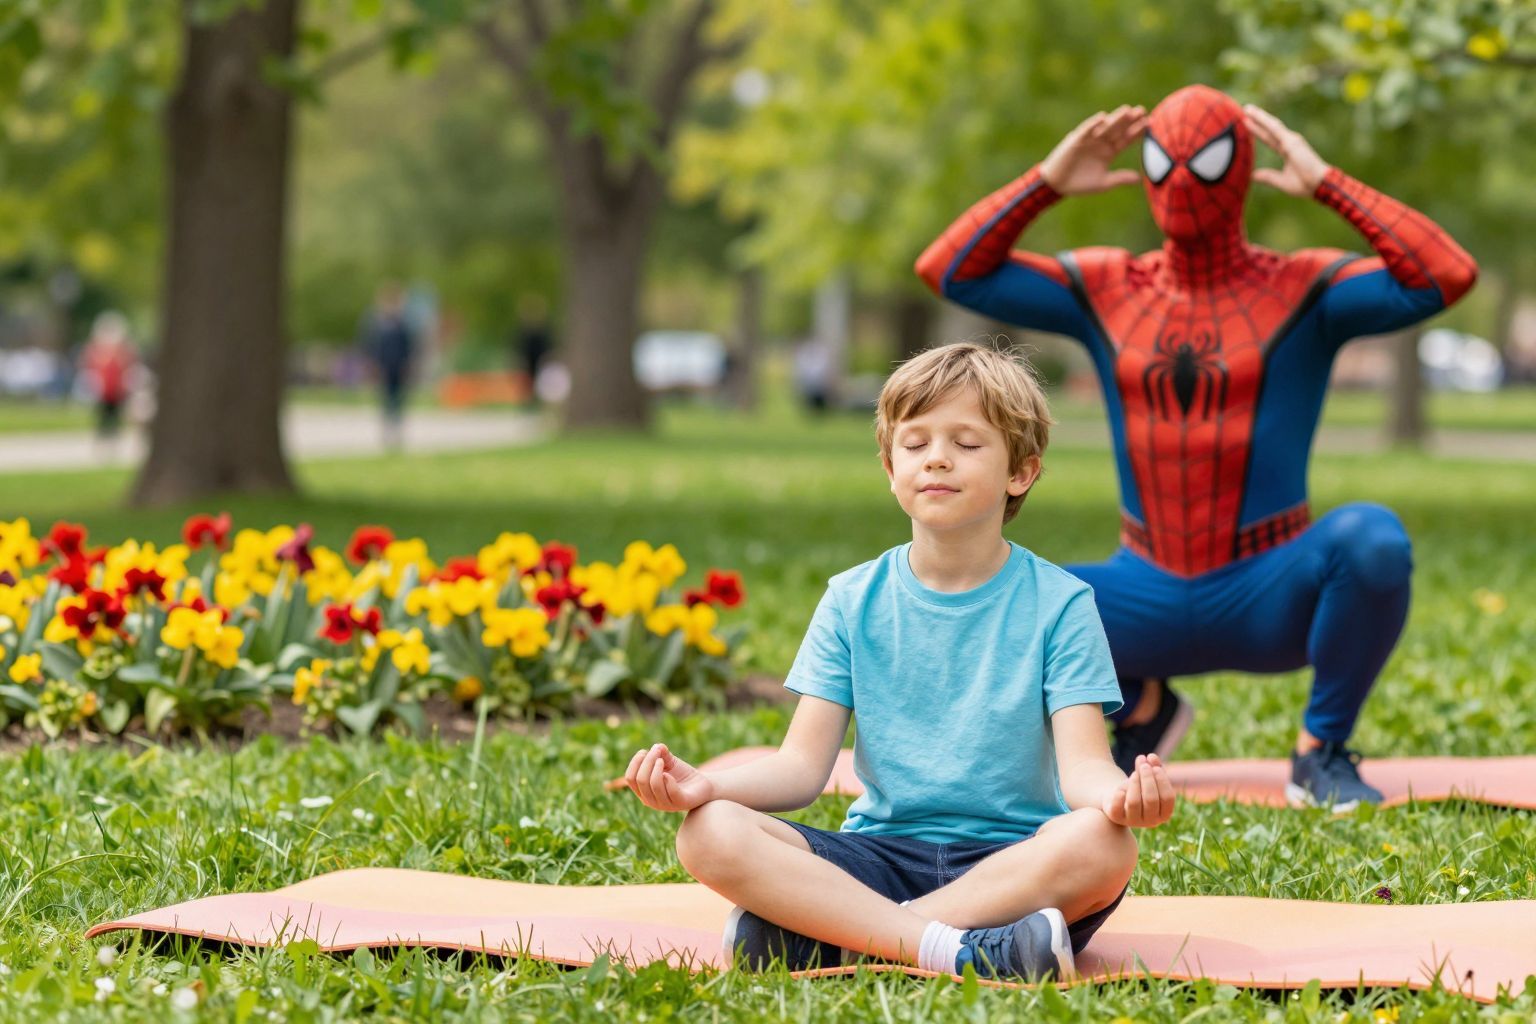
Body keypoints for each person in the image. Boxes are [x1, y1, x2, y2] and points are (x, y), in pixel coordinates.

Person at [915, 86, 1477, 810]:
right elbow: (950, 268)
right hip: (1142, 591)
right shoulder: (1108, 286)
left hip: (1269, 592)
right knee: (997, 592)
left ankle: (1321, 751)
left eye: (1205, 163)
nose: (1182, 182)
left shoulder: (1304, 287)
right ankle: (1140, 707)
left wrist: (1329, 184)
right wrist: (1048, 181)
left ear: (1239, 171)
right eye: (1164, 161)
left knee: (1371, 540)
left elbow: (1446, 275)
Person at [622, 342, 1176, 980]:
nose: (937, 457)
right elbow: (801, 769)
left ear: (1020, 471)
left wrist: (1125, 798)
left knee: (1104, 843)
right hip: (876, 857)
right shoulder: (851, 599)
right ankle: (961, 950)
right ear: (891, 468)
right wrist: (708, 787)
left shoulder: (1063, 604)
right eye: (915, 444)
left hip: (1011, 867)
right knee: (706, 831)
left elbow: (1084, 771)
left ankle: (845, 937)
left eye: (967, 443)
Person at [360, 283, 417, 448]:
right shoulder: (375, 323)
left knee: (399, 400)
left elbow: (409, 346)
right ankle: (387, 432)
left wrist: (408, 364)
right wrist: (371, 364)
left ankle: (397, 432)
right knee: (385, 400)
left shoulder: (403, 323)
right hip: (383, 367)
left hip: (399, 367)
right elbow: (369, 345)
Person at [78, 311, 138, 443]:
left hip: (116, 389)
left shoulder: (122, 351)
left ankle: (112, 435)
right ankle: (104, 436)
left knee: (115, 414)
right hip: (104, 389)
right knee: (103, 414)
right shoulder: (97, 351)